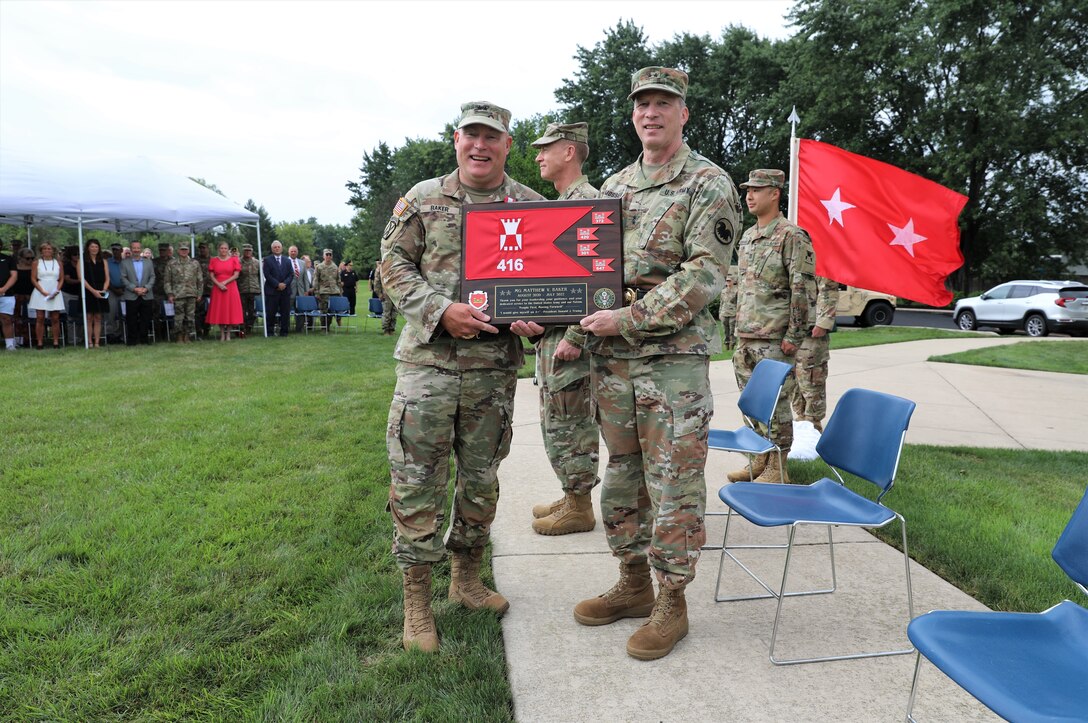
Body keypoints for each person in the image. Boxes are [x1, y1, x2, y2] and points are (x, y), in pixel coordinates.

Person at [573, 67, 741, 661]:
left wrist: (628, 318)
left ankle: (673, 601)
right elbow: (581, 266)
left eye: (663, 103)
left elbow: (703, 277)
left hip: (672, 363)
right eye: (642, 103)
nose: (651, 113)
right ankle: (634, 584)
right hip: (615, 365)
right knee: (621, 477)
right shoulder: (613, 187)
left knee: (673, 485)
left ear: (683, 113)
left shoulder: (708, 184)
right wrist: (551, 313)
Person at [381, 100, 545, 653]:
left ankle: (467, 580)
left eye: (491, 137)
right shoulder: (424, 199)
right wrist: (438, 309)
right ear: (456, 140)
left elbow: (550, 287)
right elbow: (392, 266)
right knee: (416, 482)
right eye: (471, 135)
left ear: (507, 145)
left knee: (480, 483)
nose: (480, 145)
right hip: (427, 368)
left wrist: (538, 322)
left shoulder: (530, 208)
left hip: (493, 374)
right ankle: (417, 603)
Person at [526, 122, 601, 536]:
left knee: (571, 422)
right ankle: (572, 494)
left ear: (569, 152)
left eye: (546, 148)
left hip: (575, 342)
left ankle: (580, 506)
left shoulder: (589, 203)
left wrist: (576, 335)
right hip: (553, 337)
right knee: (555, 420)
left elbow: (602, 279)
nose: (538, 156)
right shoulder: (559, 205)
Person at [728, 168, 815, 484]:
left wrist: (795, 333)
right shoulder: (749, 237)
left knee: (776, 403)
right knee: (750, 403)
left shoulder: (792, 236)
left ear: (775, 193)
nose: (749, 195)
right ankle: (759, 458)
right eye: (748, 190)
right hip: (747, 336)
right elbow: (742, 286)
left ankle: (779, 466)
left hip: (776, 339)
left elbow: (802, 287)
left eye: (757, 189)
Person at [791, 274, 838, 431]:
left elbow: (828, 290)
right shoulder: (790, 254)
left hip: (811, 331)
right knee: (792, 378)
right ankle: (800, 418)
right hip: (789, 330)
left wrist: (823, 322)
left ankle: (813, 424)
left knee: (811, 378)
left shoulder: (818, 256)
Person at [28, 241, 67, 349]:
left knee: (55, 317)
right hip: (41, 289)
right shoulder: (36, 262)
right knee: (40, 317)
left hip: (55, 289)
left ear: (53, 250)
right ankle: (40, 342)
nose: (47, 251)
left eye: (49, 249)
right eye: (44, 249)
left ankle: (55, 342)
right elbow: (33, 278)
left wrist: (57, 290)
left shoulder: (58, 263)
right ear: (41, 251)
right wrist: (42, 291)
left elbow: (61, 278)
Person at [165, 241, 204, 343]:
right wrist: (170, 294)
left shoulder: (195, 263)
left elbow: (200, 280)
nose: (184, 251)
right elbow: (167, 281)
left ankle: (187, 336)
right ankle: (179, 337)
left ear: (188, 250)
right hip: (178, 295)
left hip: (191, 293)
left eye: (185, 249)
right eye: (182, 249)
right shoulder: (171, 264)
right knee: (179, 317)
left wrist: (199, 294)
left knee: (190, 317)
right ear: (178, 251)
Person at [121, 239, 156, 345]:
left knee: (146, 318)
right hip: (132, 294)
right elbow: (123, 278)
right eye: (134, 248)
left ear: (140, 249)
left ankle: (144, 340)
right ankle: (132, 341)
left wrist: (146, 288)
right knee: (131, 319)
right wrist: (134, 288)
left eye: (138, 248)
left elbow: (152, 277)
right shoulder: (124, 262)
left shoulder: (148, 262)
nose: (136, 250)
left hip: (146, 294)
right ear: (131, 249)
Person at [206, 241, 243, 341]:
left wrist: (225, 282)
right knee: (220, 311)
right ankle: (222, 334)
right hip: (217, 288)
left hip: (230, 287)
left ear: (228, 249)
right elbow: (211, 275)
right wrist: (218, 284)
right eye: (222, 248)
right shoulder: (213, 260)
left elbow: (236, 275)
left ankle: (228, 334)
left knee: (230, 310)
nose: (223, 250)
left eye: (225, 248)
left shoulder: (234, 260)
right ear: (218, 249)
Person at [77, 239, 110, 347]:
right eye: (92, 247)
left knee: (98, 318)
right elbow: (81, 278)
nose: (94, 249)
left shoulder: (103, 261)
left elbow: (107, 278)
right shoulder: (81, 260)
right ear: (88, 248)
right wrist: (93, 291)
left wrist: (104, 290)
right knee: (89, 317)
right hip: (87, 291)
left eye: (96, 246)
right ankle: (89, 342)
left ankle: (97, 342)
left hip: (101, 290)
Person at [262, 240, 293, 336]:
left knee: (285, 313)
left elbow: (291, 275)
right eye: (275, 247)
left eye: (278, 247)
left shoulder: (287, 260)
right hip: (272, 291)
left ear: (282, 248)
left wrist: (284, 284)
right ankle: (270, 332)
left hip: (285, 291)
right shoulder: (267, 260)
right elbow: (267, 275)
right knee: (271, 312)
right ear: (272, 249)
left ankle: (284, 332)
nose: (277, 248)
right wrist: (277, 284)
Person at [312, 248, 342, 332]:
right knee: (323, 310)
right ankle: (324, 328)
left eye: (330, 255)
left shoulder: (335, 267)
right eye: (327, 254)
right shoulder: (319, 267)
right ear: (323, 256)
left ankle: (328, 326)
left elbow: (338, 280)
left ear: (331, 256)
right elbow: (316, 280)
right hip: (324, 292)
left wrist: (340, 291)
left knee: (331, 311)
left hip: (334, 292)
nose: (328, 256)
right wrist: (316, 292)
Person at [11, 248, 36, 348]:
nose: (30, 260)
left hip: (32, 297)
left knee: (32, 319)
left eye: (32, 258)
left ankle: (31, 339)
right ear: (21, 258)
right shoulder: (15, 269)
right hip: (18, 297)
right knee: (17, 319)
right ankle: (18, 340)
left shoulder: (34, 269)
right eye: (27, 258)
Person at [237, 243, 261, 336]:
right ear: (243, 251)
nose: (247, 252)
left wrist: (260, 289)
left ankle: (249, 327)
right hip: (242, 290)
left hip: (254, 290)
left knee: (253, 312)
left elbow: (260, 276)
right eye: (246, 250)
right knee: (242, 311)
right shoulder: (238, 262)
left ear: (252, 251)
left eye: (249, 250)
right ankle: (242, 329)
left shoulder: (257, 262)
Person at [371, 265, 399, 335]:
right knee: (387, 312)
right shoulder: (380, 268)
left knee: (394, 313)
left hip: (395, 293)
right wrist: (379, 293)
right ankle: (386, 330)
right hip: (385, 294)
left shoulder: (396, 265)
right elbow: (376, 282)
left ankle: (392, 329)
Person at [106, 243, 125, 342]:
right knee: (111, 314)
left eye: (117, 250)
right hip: (111, 290)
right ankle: (110, 334)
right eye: (113, 250)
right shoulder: (107, 262)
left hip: (124, 291)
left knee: (123, 314)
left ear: (121, 250)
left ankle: (121, 334)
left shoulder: (126, 262)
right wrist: (114, 289)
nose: (115, 251)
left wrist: (123, 288)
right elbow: (106, 278)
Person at [0, 243, 17, 351]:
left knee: (6, 319)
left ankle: (10, 345)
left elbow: (14, 276)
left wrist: (3, 289)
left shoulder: (9, 259)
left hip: (7, 294)